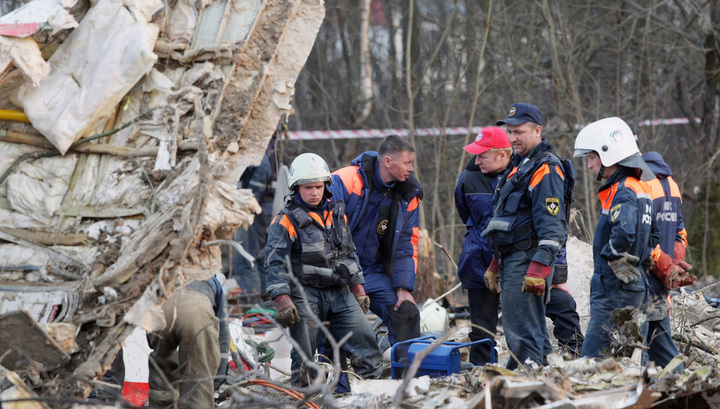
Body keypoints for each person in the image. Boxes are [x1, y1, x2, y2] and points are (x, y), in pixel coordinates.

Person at [264, 153, 383, 386]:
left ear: (326, 186)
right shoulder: (284, 221)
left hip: (339, 292)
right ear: (296, 188)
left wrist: (358, 289)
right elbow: (274, 262)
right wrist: (282, 299)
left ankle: (365, 398)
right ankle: (303, 399)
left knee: (367, 349)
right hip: (305, 294)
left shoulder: (337, 214)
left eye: (318, 186)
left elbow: (349, 253)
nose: (314, 192)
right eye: (308, 187)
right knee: (304, 361)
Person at [481, 102, 568, 369]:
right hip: (513, 259)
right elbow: (507, 218)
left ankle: (527, 386)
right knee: (530, 332)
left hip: (528, 261)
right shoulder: (520, 166)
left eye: (519, 131)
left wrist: (540, 266)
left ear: (537, 130)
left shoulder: (546, 168)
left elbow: (553, 225)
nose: (513, 138)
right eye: (510, 132)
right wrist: (496, 263)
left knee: (521, 332)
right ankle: (542, 380)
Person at [573, 117, 659, 359]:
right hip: (636, 280)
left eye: (591, 158)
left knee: (595, 355)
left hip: (615, 283)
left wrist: (615, 257)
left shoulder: (622, 191)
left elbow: (624, 231)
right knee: (631, 351)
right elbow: (654, 233)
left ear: (607, 154)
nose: (589, 166)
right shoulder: (640, 187)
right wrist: (643, 257)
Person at [328, 135, 423, 345]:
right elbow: (327, 233)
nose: (412, 169)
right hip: (337, 272)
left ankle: (408, 373)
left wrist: (403, 288)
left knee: (406, 311)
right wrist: (348, 278)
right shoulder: (343, 180)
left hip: (371, 272)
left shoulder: (408, 194)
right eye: (407, 162)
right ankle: (335, 373)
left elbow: (406, 246)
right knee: (336, 325)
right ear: (388, 161)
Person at [454, 126, 512, 365]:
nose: (476, 161)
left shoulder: (522, 174)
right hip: (480, 260)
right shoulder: (468, 178)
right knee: (481, 327)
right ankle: (483, 370)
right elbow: (464, 213)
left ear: (502, 155)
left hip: (514, 259)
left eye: (482, 155)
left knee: (518, 321)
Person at [641, 150, 695, 370]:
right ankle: (681, 385)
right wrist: (675, 265)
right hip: (663, 289)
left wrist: (666, 268)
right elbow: (679, 233)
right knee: (664, 348)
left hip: (644, 283)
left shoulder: (642, 184)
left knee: (639, 350)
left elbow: (642, 239)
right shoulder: (672, 185)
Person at [147, 275, 230, 409]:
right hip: (196, 313)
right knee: (198, 385)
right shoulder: (214, 283)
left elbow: (151, 339)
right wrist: (215, 384)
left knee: (162, 373)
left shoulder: (163, 274)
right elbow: (223, 340)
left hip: (160, 311)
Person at [230, 137, 279, 304]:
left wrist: (247, 202)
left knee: (245, 254)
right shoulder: (271, 148)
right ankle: (266, 299)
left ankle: (250, 299)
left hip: (256, 208)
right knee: (261, 256)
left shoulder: (260, 150)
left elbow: (262, 169)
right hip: (267, 206)